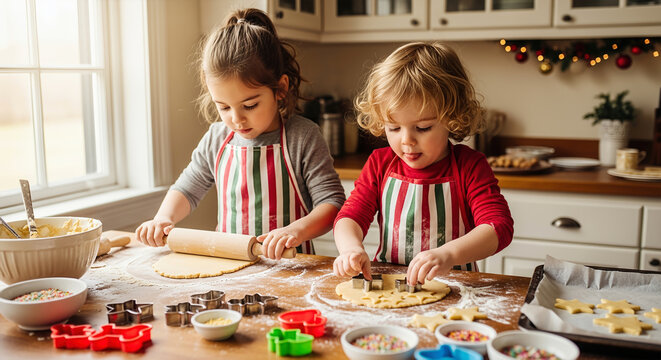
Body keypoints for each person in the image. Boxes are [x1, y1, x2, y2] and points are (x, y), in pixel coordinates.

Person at [136, 8, 345, 259]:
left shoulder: (302, 137)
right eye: (223, 107)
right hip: (229, 262)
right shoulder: (217, 138)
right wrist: (163, 218)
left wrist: (295, 231)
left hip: (291, 267)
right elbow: (188, 189)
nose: (236, 119)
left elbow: (332, 203)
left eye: (250, 105)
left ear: (280, 88)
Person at [333, 42, 513, 285]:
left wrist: (448, 254)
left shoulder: (469, 166)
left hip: (457, 287)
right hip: (390, 287)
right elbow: (350, 217)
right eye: (393, 127)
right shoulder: (380, 163)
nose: (407, 140)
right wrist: (350, 249)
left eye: (423, 128)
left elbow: (498, 227)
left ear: (452, 118)